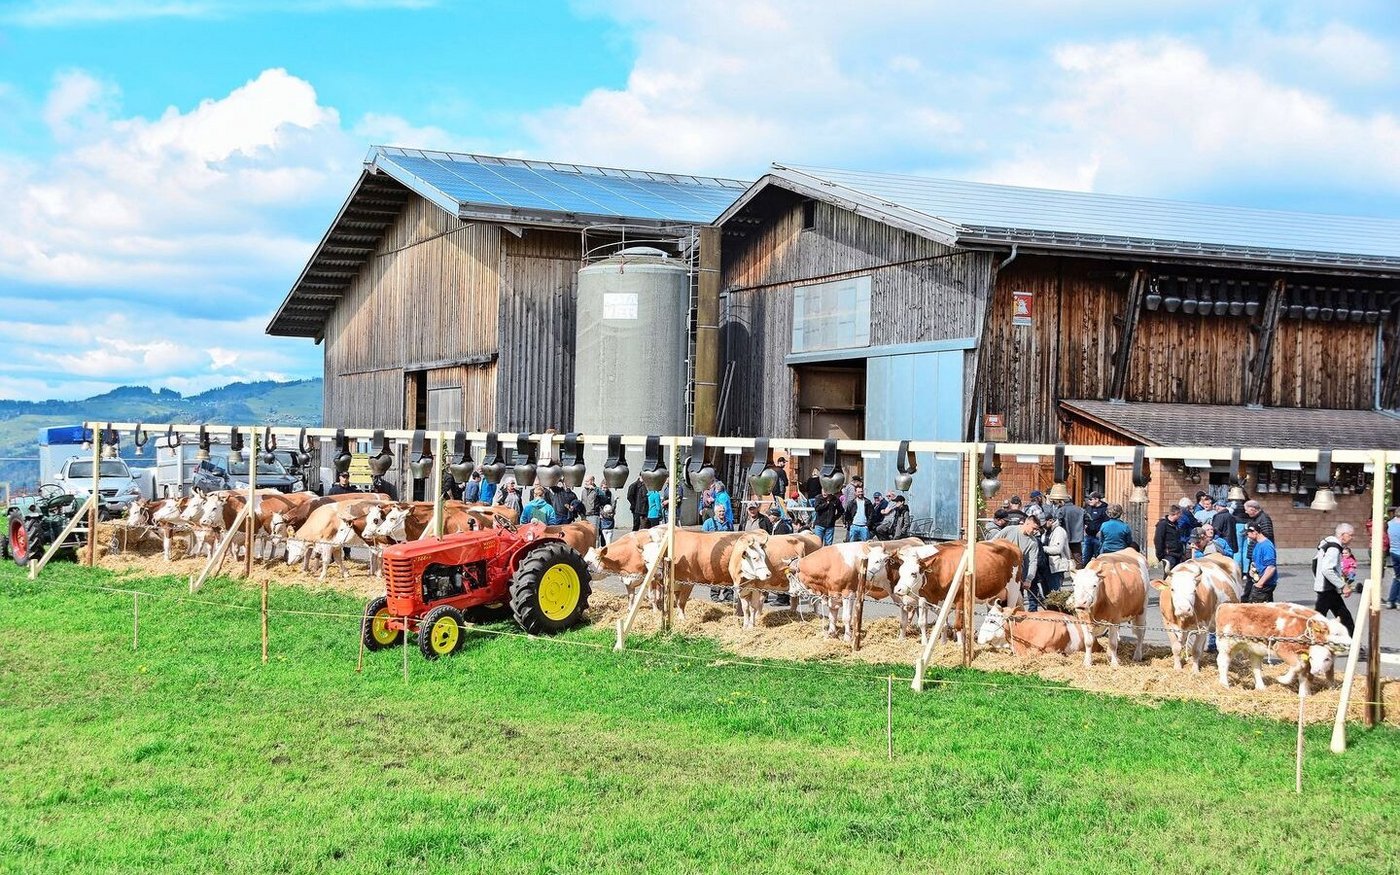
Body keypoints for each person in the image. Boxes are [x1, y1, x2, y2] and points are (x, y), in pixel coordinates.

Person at [1313, 523, 1355, 636]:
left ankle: (1352, 642)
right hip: (1327, 588)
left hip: (1326, 587)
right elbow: (1327, 570)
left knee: (1321, 616)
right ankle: (1352, 643)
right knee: (1342, 617)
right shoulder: (1333, 548)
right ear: (1343, 535)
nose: (1352, 538)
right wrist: (1343, 585)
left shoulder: (1328, 544)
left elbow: (1315, 562)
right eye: (1350, 535)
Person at [994, 515, 1043, 608]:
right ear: (1027, 523)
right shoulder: (1009, 530)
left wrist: (1028, 580)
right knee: (996, 602)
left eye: (1037, 529)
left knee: (1015, 605)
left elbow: (1033, 561)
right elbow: (992, 542)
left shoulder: (1033, 542)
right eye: (1034, 528)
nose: (1035, 531)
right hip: (1000, 573)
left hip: (1016, 575)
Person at [705, 506, 736, 602]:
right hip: (714, 553)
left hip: (728, 553)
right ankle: (715, 595)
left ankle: (728, 594)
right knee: (716, 574)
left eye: (723, 511)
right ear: (715, 512)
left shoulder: (729, 523)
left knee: (729, 573)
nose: (722, 513)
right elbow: (702, 537)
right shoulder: (709, 523)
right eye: (719, 511)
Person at [1242, 523, 1277, 603]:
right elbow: (1254, 561)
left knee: (1255, 606)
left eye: (1248, 534)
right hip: (1258, 581)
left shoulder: (1267, 546)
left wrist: (1260, 584)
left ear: (1254, 532)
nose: (1248, 537)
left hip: (1265, 584)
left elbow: (1271, 567)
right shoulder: (1258, 544)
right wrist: (1252, 569)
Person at [1042, 515, 1073, 597]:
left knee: (1055, 594)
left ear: (1051, 521)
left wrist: (1042, 548)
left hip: (1056, 566)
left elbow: (1057, 549)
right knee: (1047, 594)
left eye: (1044, 523)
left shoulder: (1059, 531)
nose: (1042, 526)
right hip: (1047, 566)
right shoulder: (1047, 531)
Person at [1153, 505, 1185, 571]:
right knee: (1167, 576)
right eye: (1180, 514)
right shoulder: (1163, 524)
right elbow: (1158, 540)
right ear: (1176, 514)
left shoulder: (1176, 525)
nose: (1181, 516)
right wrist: (1160, 555)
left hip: (1178, 555)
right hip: (1169, 556)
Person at [580, 476, 611, 543]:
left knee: (594, 535)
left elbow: (604, 498)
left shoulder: (597, 490)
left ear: (592, 481)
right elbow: (582, 502)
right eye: (585, 481)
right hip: (585, 516)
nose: (585, 483)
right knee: (586, 535)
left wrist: (595, 489)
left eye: (587, 481)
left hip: (594, 515)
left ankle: (596, 550)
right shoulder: (583, 491)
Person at [1058, 497, 1085, 564]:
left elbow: (1058, 521)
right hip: (1077, 536)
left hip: (1064, 536)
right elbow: (1089, 519)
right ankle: (1080, 570)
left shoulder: (1061, 510)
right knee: (1078, 557)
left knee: (1064, 557)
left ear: (1063, 502)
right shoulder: (1080, 509)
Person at [1082, 492, 1107, 561]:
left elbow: (1106, 522)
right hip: (1088, 536)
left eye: (1091, 499)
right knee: (1085, 557)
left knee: (1098, 557)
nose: (1089, 501)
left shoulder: (1105, 509)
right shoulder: (1088, 508)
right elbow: (1085, 518)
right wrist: (1084, 528)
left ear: (1097, 499)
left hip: (1098, 537)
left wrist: (1100, 532)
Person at [1388, 506, 1400, 609]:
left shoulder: (1390, 523)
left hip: (1393, 552)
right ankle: (1398, 602)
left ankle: (1390, 600)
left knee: (1397, 577)